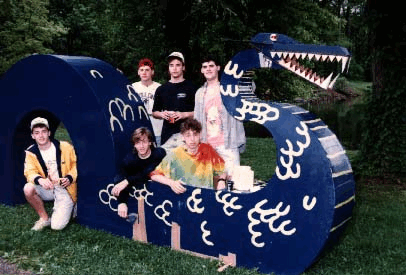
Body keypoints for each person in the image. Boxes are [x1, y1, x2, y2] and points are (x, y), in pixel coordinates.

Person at [194, 56, 246, 178]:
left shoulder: (230, 88)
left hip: (228, 143)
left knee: (233, 180)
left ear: (218, 68)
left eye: (211, 66)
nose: (208, 69)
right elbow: (197, 119)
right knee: (210, 181)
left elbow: (251, 87)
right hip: (207, 144)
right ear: (201, 70)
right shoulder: (199, 93)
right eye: (205, 67)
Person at [23, 117, 77, 231]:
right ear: (33, 136)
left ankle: (72, 205)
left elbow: (76, 165)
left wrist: (69, 177)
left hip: (64, 187)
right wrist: (40, 180)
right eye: (37, 133)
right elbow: (29, 171)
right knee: (28, 188)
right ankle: (44, 218)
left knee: (57, 226)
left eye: (43, 132)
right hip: (47, 187)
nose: (41, 136)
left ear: (49, 133)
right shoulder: (31, 152)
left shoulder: (65, 147)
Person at [150, 118, 227, 194]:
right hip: (182, 197)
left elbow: (223, 170)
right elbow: (154, 175)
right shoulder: (175, 154)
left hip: (205, 196)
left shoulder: (208, 150)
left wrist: (221, 180)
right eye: (188, 135)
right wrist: (171, 183)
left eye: (195, 134)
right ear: (182, 137)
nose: (192, 139)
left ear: (200, 135)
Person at [111, 127, 166, 218]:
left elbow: (149, 172)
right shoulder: (129, 160)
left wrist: (128, 181)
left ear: (150, 142)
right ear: (134, 145)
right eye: (138, 143)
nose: (141, 146)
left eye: (144, 142)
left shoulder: (159, 154)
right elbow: (120, 179)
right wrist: (122, 202)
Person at [152, 52, 197, 150]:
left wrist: (184, 114)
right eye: (171, 65)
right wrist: (162, 114)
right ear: (168, 68)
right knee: (168, 164)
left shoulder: (192, 88)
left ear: (183, 67)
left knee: (188, 164)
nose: (174, 68)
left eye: (178, 65)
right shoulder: (161, 89)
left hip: (187, 135)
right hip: (167, 135)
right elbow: (154, 112)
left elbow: (200, 112)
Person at [132, 58, 163, 146]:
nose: (144, 72)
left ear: (152, 72)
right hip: (139, 129)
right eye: (141, 70)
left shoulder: (160, 88)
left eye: (147, 70)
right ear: (138, 72)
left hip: (156, 129)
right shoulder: (132, 87)